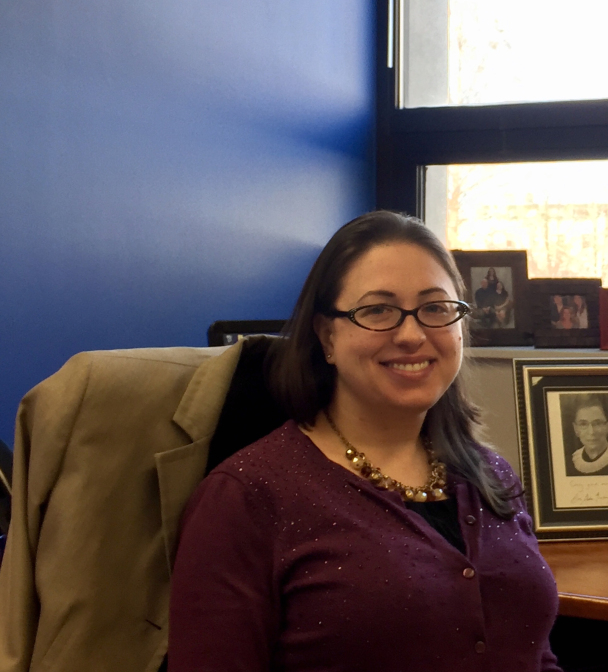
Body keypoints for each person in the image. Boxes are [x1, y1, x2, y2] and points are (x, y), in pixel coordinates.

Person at [168, 211, 562, 672]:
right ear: (326, 335)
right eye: (378, 310)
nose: (412, 334)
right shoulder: (245, 498)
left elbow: (536, 655)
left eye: (436, 308)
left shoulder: (490, 474)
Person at [567, 395, 608, 476]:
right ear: (576, 429)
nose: (591, 432)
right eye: (583, 424)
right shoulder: (570, 463)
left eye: (597, 423)